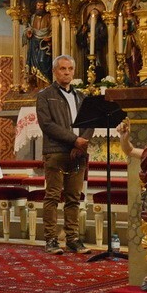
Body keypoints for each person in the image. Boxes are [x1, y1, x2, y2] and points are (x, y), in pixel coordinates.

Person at [36, 55, 94, 255]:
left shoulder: (81, 96)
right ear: (55, 71)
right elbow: (47, 124)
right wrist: (74, 140)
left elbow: (90, 122)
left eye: (70, 69)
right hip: (55, 151)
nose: (67, 72)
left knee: (74, 198)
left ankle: (73, 239)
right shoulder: (45, 95)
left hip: (78, 153)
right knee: (52, 196)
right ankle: (51, 239)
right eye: (62, 68)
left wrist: (81, 143)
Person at [24, 0, 53, 87]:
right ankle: (36, 85)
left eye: (41, 6)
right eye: (38, 5)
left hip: (44, 43)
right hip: (34, 43)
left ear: (44, 7)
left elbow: (54, 30)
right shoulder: (33, 17)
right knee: (33, 63)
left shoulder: (49, 17)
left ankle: (46, 84)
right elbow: (29, 29)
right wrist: (28, 33)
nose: (40, 7)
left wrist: (50, 37)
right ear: (35, 6)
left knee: (42, 61)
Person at [75, 12, 108, 82]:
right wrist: (83, 33)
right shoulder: (85, 26)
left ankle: (98, 81)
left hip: (97, 50)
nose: (93, 17)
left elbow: (103, 37)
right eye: (91, 15)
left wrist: (94, 38)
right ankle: (87, 81)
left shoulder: (100, 25)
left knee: (98, 66)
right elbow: (79, 38)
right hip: (87, 50)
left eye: (95, 16)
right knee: (86, 66)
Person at [121, 1, 142, 86]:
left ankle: (136, 78)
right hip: (127, 41)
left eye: (130, 9)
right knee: (128, 60)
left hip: (134, 40)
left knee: (135, 59)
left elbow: (137, 28)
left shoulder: (135, 19)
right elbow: (121, 31)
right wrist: (123, 29)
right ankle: (130, 79)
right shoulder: (124, 20)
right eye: (127, 9)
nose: (129, 11)